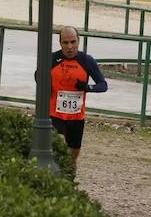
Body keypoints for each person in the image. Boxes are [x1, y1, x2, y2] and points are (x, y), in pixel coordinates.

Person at [44, 26, 108, 171]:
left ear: (79, 41)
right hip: (54, 115)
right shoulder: (52, 59)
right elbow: (37, 75)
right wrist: (46, 86)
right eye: (65, 43)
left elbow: (103, 85)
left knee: (73, 155)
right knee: (57, 148)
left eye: (73, 42)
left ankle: (70, 178)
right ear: (60, 43)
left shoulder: (86, 61)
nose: (70, 47)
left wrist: (87, 87)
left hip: (76, 118)